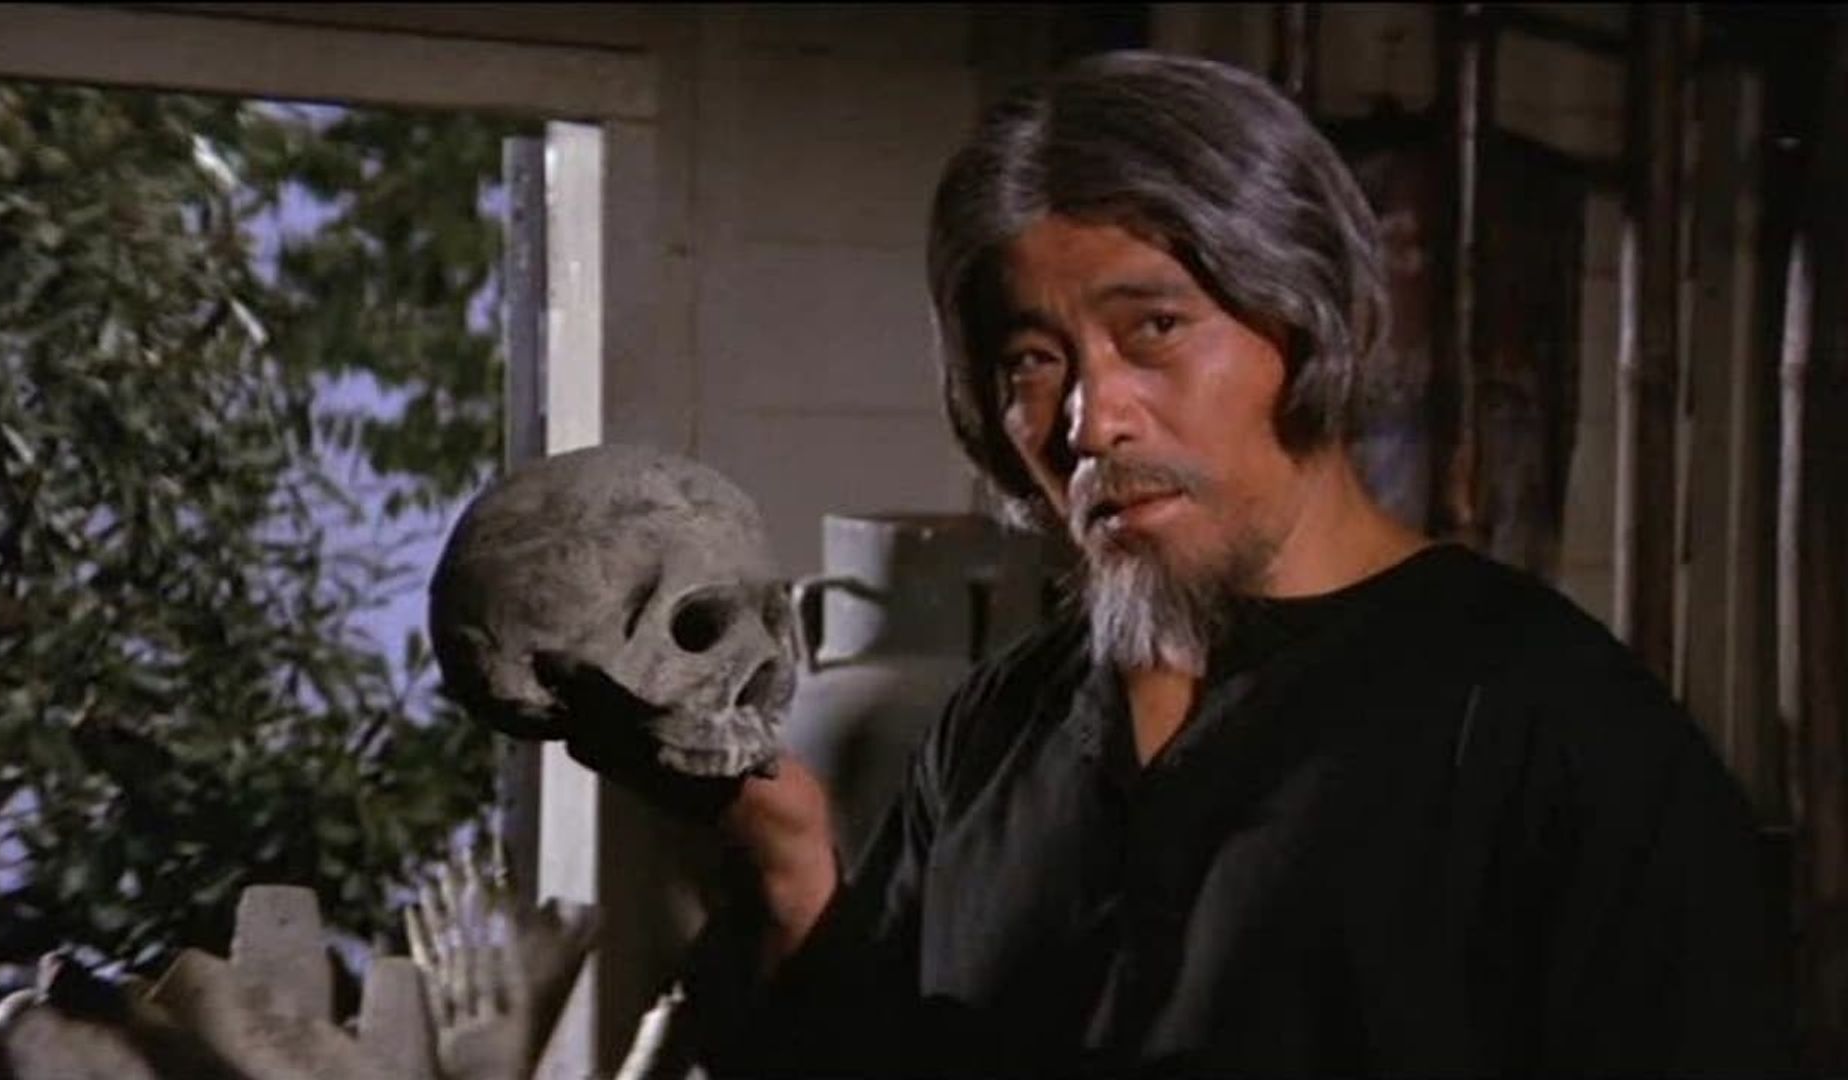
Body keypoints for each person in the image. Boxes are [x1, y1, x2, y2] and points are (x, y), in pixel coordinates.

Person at [673, 51, 1792, 1077]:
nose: (1090, 418)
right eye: (1031, 360)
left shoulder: (1558, 734)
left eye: (1153, 328)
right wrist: (790, 875)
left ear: (1306, 315)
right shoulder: (995, 731)